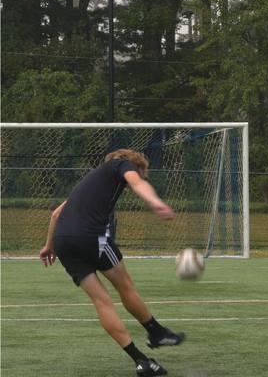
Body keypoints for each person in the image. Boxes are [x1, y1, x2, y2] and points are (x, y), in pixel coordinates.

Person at [39, 149, 185, 377]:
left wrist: (49, 246)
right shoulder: (121, 165)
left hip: (63, 242)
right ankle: (155, 331)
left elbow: (56, 215)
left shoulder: (90, 183)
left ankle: (141, 361)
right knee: (124, 285)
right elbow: (137, 183)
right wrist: (156, 202)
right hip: (90, 237)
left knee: (101, 301)